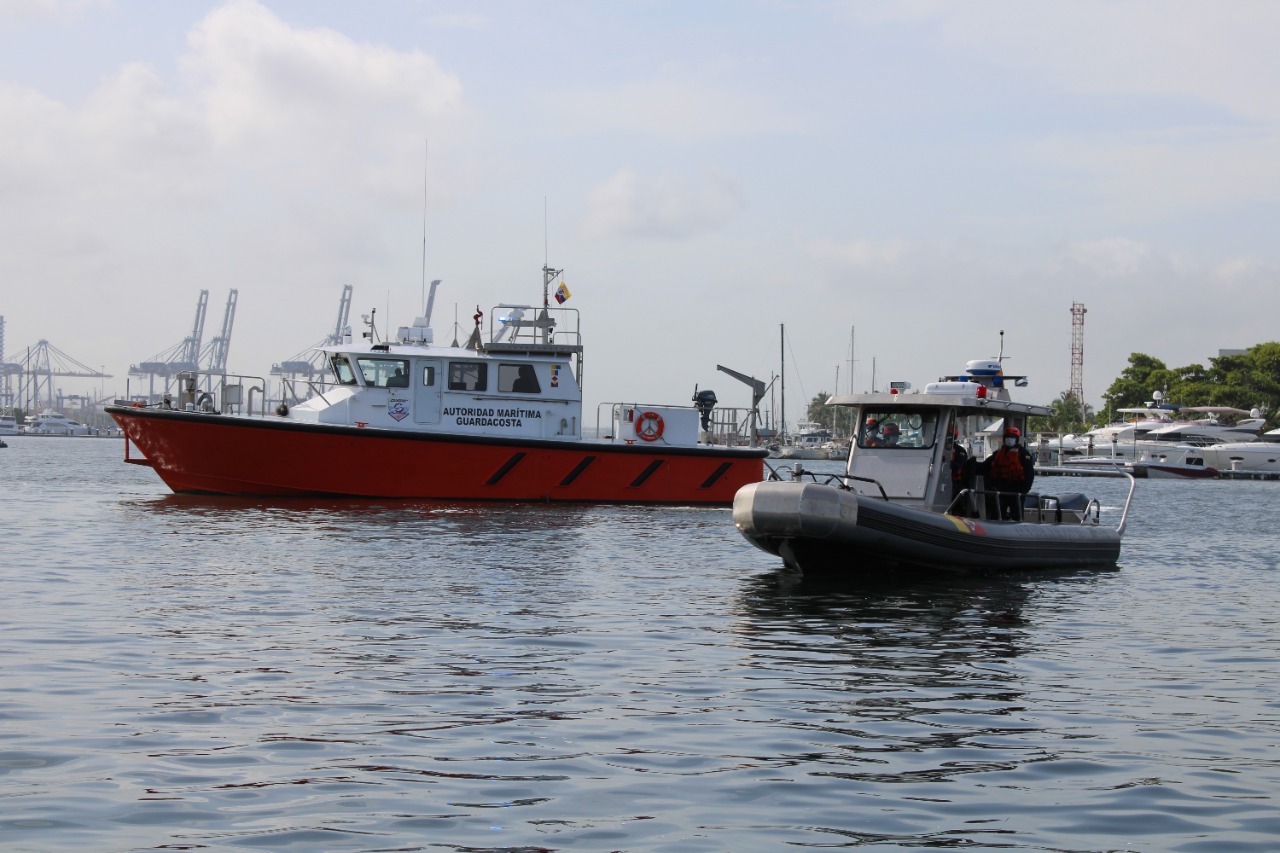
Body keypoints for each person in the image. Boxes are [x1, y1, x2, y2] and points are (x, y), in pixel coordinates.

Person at [978, 426, 1035, 520]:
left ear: (1017, 439)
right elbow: (985, 466)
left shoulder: (1024, 454)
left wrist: (1024, 490)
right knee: (997, 514)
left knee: (1017, 516)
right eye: (1008, 436)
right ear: (1004, 438)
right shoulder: (998, 454)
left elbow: (1029, 474)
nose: (1010, 439)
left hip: (1017, 490)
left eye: (1012, 437)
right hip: (1001, 489)